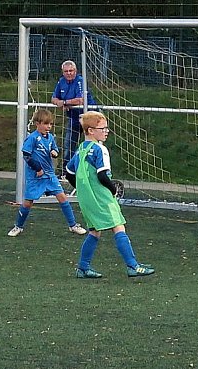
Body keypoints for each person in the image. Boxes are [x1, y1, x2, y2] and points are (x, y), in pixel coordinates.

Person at [64, 111, 154, 279]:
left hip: (86, 198)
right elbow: (102, 175)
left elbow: (69, 172)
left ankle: (83, 268)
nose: (106, 131)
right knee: (119, 226)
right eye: (103, 128)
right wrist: (113, 189)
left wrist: (82, 187)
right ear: (91, 130)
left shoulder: (81, 149)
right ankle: (133, 266)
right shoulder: (100, 149)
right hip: (101, 196)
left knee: (95, 231)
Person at [8, 109, 87, 237]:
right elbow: (26, 155)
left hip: (49, 175)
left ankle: (73, 225)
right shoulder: (32, 138)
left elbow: (54, 148)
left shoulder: (50, 137)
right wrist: (38, 169)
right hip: (36, 176)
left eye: (50, 124)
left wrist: (55, 153)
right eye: (46, 124)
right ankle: (18, 226)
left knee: (62, 197)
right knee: (28, 202)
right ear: (37, 124)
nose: (49, 127)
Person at [52, 60, 97, 166]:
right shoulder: (61, 81)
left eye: (71, 71)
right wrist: (60, 102)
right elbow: (53, 98)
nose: (69, 73)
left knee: (92, 145)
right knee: (69, 145)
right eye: (66, 71)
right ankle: (67, 171)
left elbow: (80, 100)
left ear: (75, 71)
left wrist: (64, 102)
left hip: (89, 117)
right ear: (63, 72)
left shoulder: (80, 81)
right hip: (74, 118)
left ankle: (95, 169)